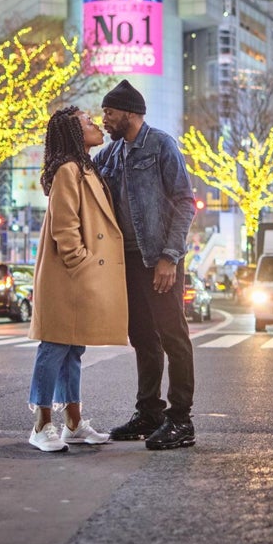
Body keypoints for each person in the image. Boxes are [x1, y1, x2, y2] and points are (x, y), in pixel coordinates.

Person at [94, 79, 197, 450]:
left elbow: (185, 201)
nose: (104, 119)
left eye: (109, 112)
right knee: (142, 338)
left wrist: (170, 256)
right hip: (128, 261)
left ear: (129, 113)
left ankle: (181, 420)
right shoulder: (111, 153)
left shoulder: (161, 145)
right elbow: (81, 177)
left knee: (173, 336)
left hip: (160, 259)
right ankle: (149, 413)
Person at [27, 106, 128, 453]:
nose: (96, 124)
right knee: (54, 346)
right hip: (67, 275)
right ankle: (41, 424)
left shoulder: (87, 168)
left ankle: (73, 422)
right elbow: (65, 226)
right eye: (87, 122)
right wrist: (82, 263)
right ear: (73, 133)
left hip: (76, 276)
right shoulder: (69, 171)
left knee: (72, 348)